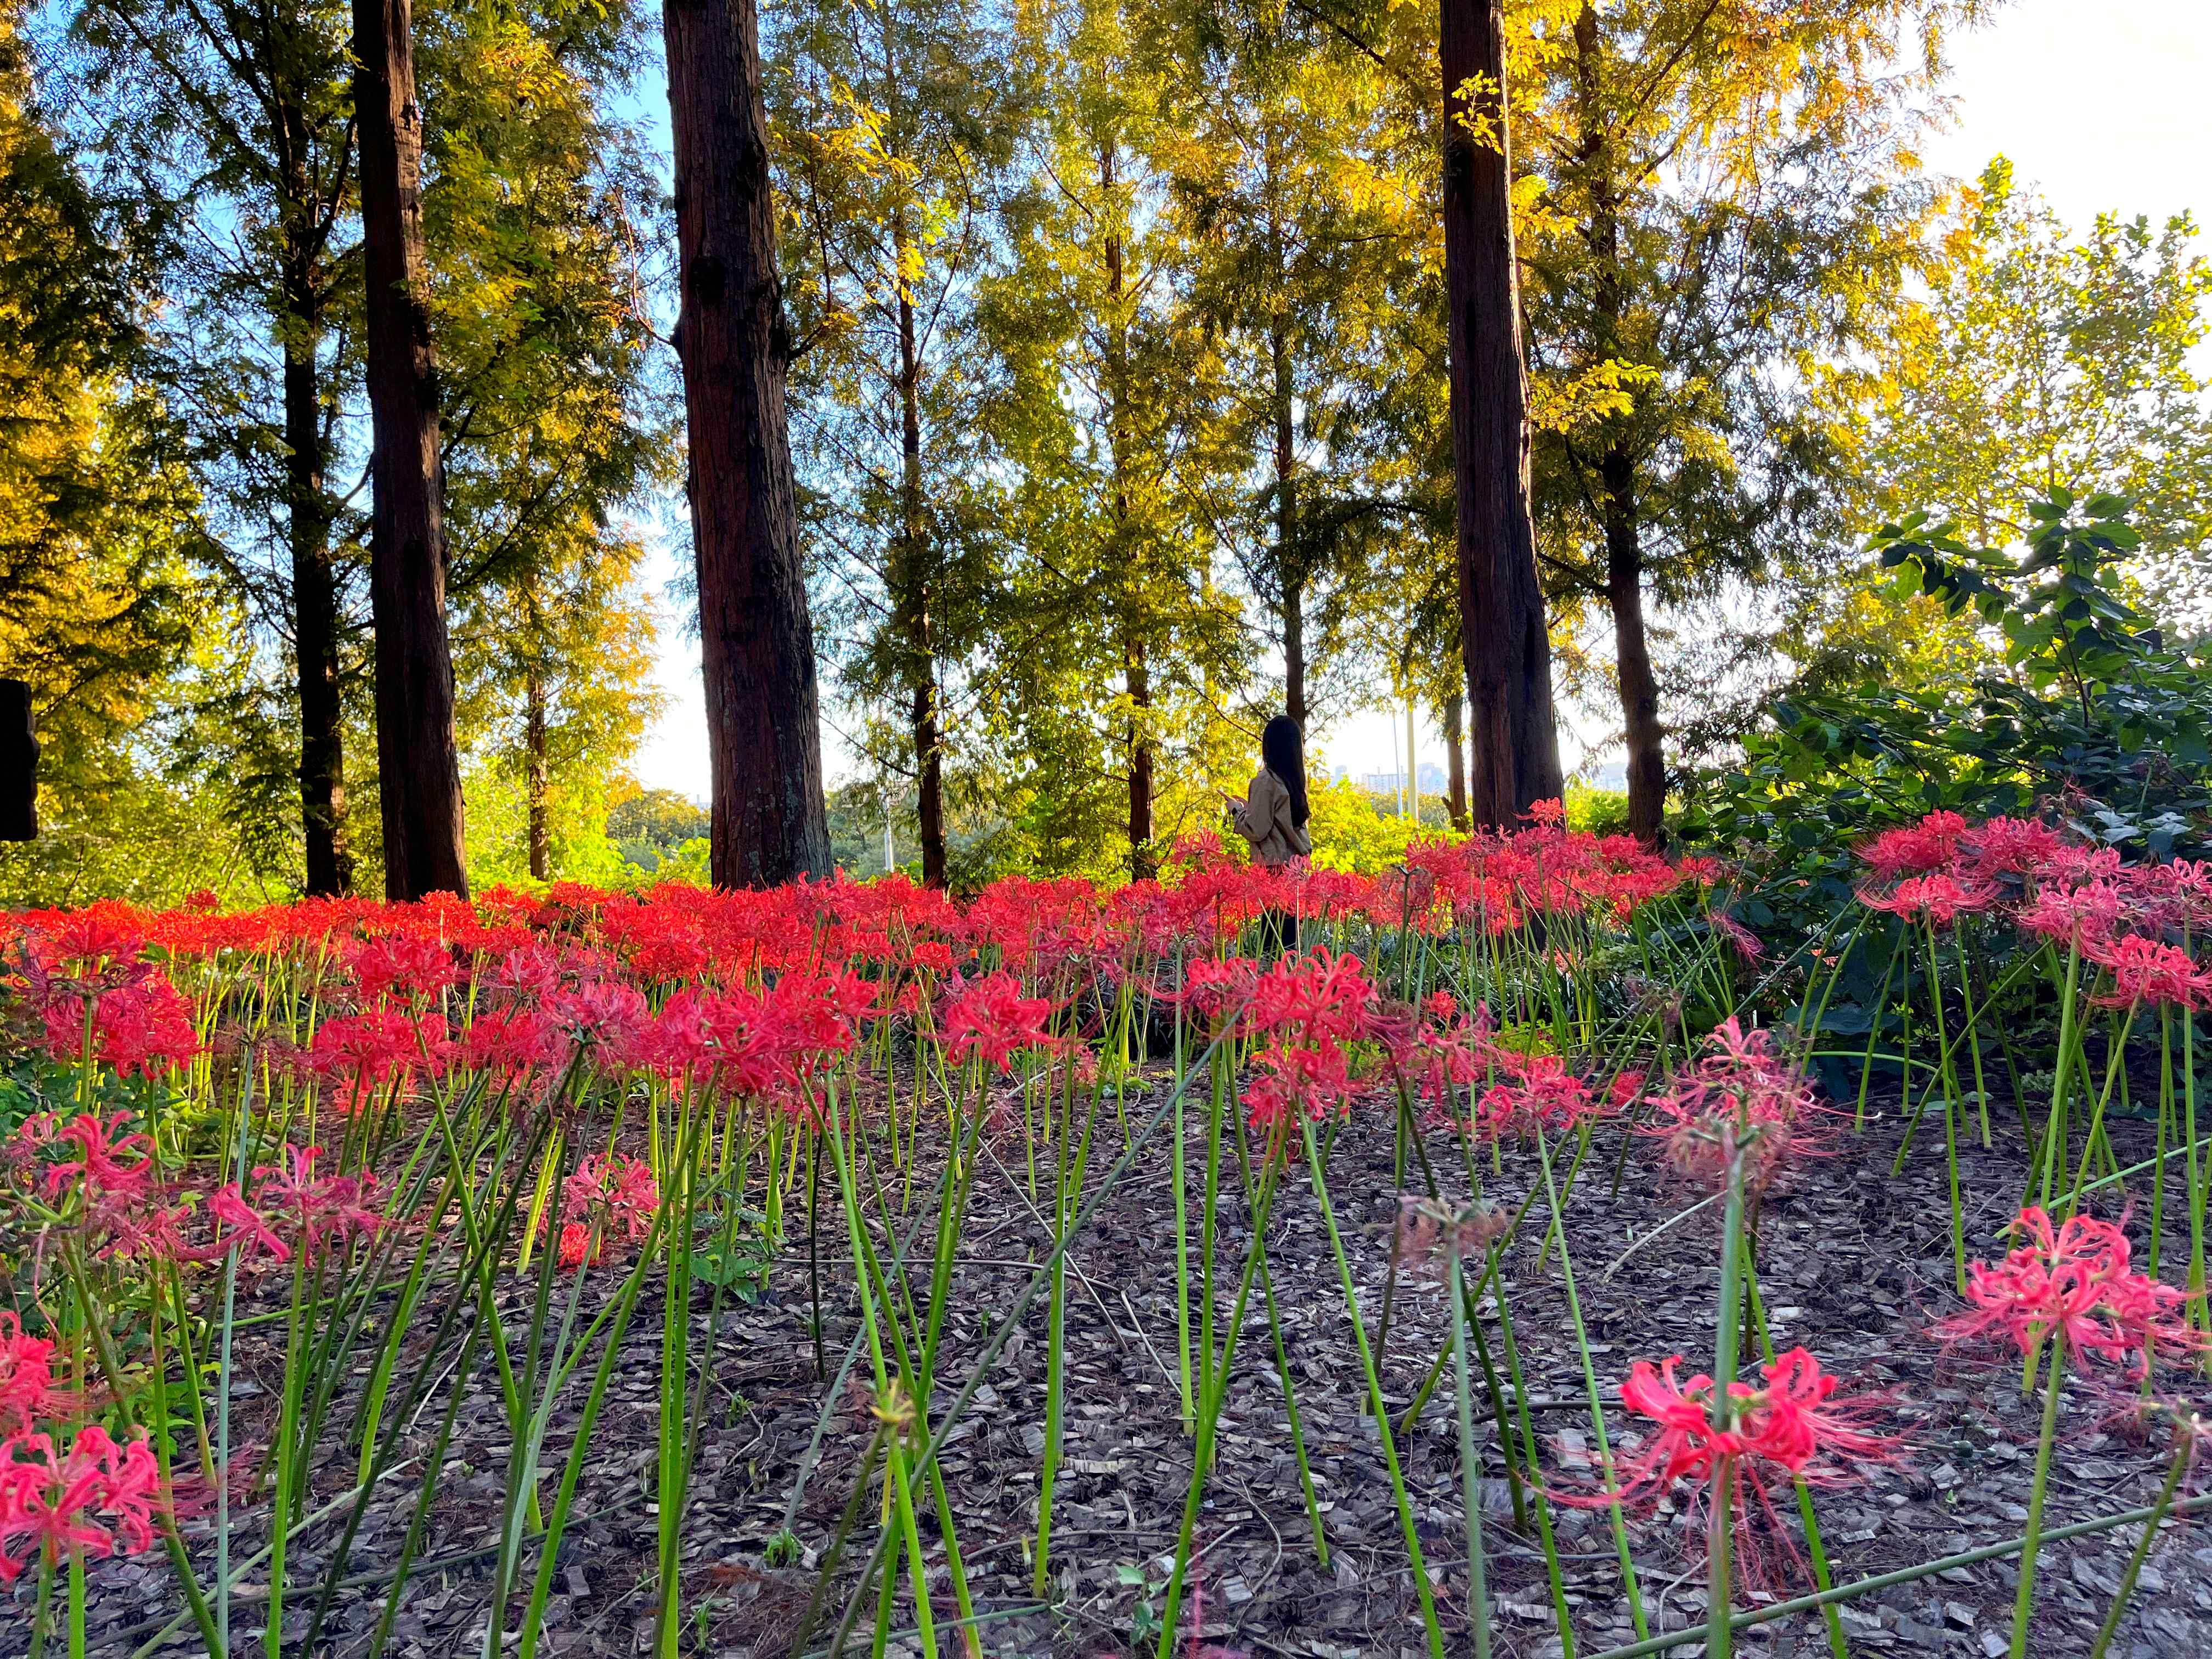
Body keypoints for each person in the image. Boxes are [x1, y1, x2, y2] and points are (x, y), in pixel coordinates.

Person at [1227, 714, 1311, 953]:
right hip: (1297, 868)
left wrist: (1237, 811)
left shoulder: (1266, 781)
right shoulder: (1295, 780)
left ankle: (1272, 988)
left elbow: (1257, 829)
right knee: (1291, 937)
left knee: (1272, 942)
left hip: (1274, 869)